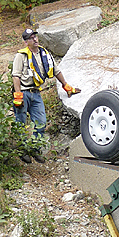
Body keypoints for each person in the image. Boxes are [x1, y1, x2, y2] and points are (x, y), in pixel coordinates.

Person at [12, 28, 81, 163]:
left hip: (36, 93)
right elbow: (16, 76)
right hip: (24, 92)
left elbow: (56, 71)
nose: (35, 39)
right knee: (20, 122)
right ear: (26, 42)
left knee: (41, 122)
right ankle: (22, 149)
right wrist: (18, 94)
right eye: (31, 38)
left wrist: (66, 86)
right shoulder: (21, 56)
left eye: (35, 37)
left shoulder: (44, 53)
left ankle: (35, 149)